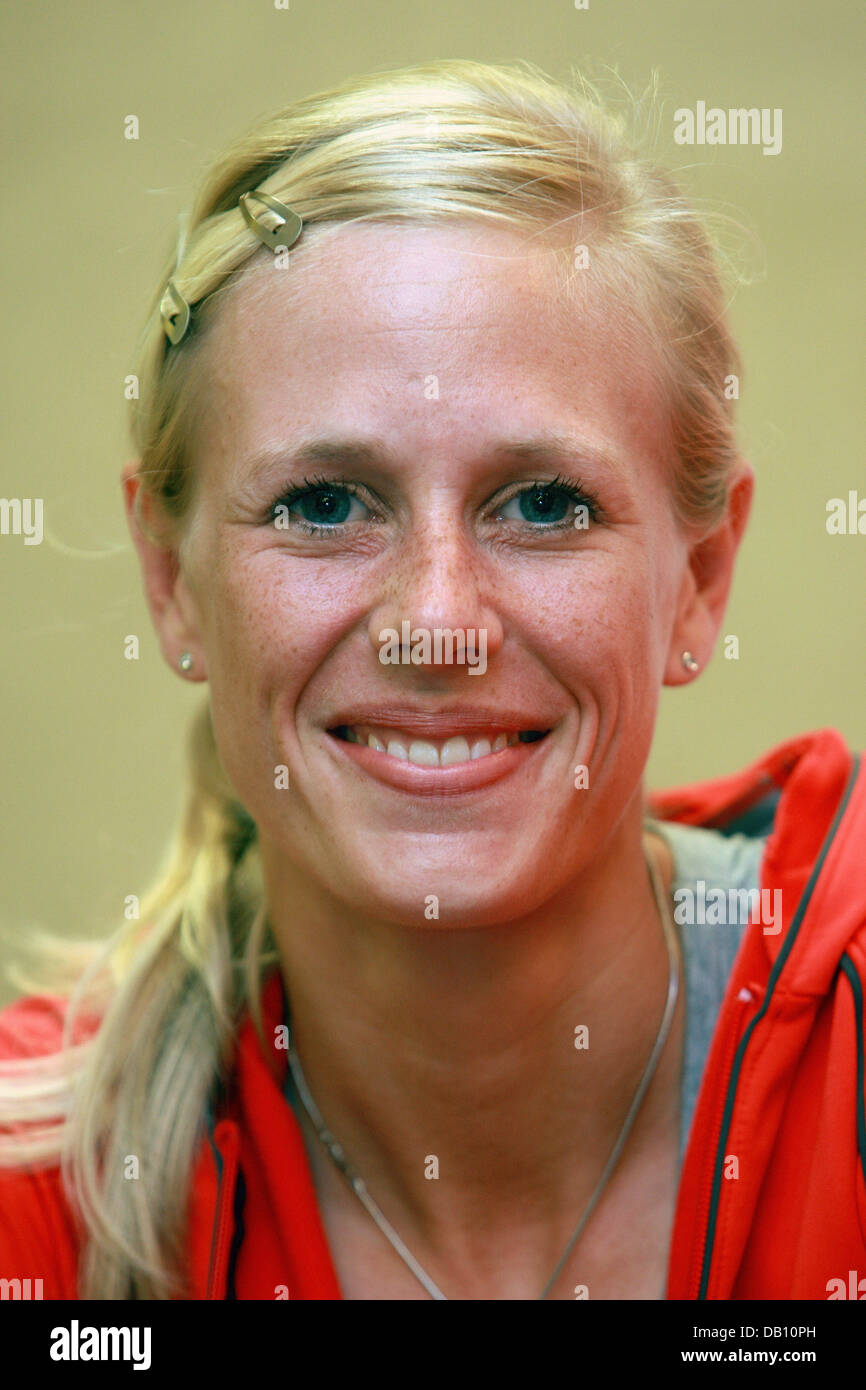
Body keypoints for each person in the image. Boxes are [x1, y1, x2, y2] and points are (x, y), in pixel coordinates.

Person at [0, 58, 863, 1303]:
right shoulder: (44, 1197)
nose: (437, 626)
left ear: (700, 579)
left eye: (545, 504)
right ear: (171, 581)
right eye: (325, 503)